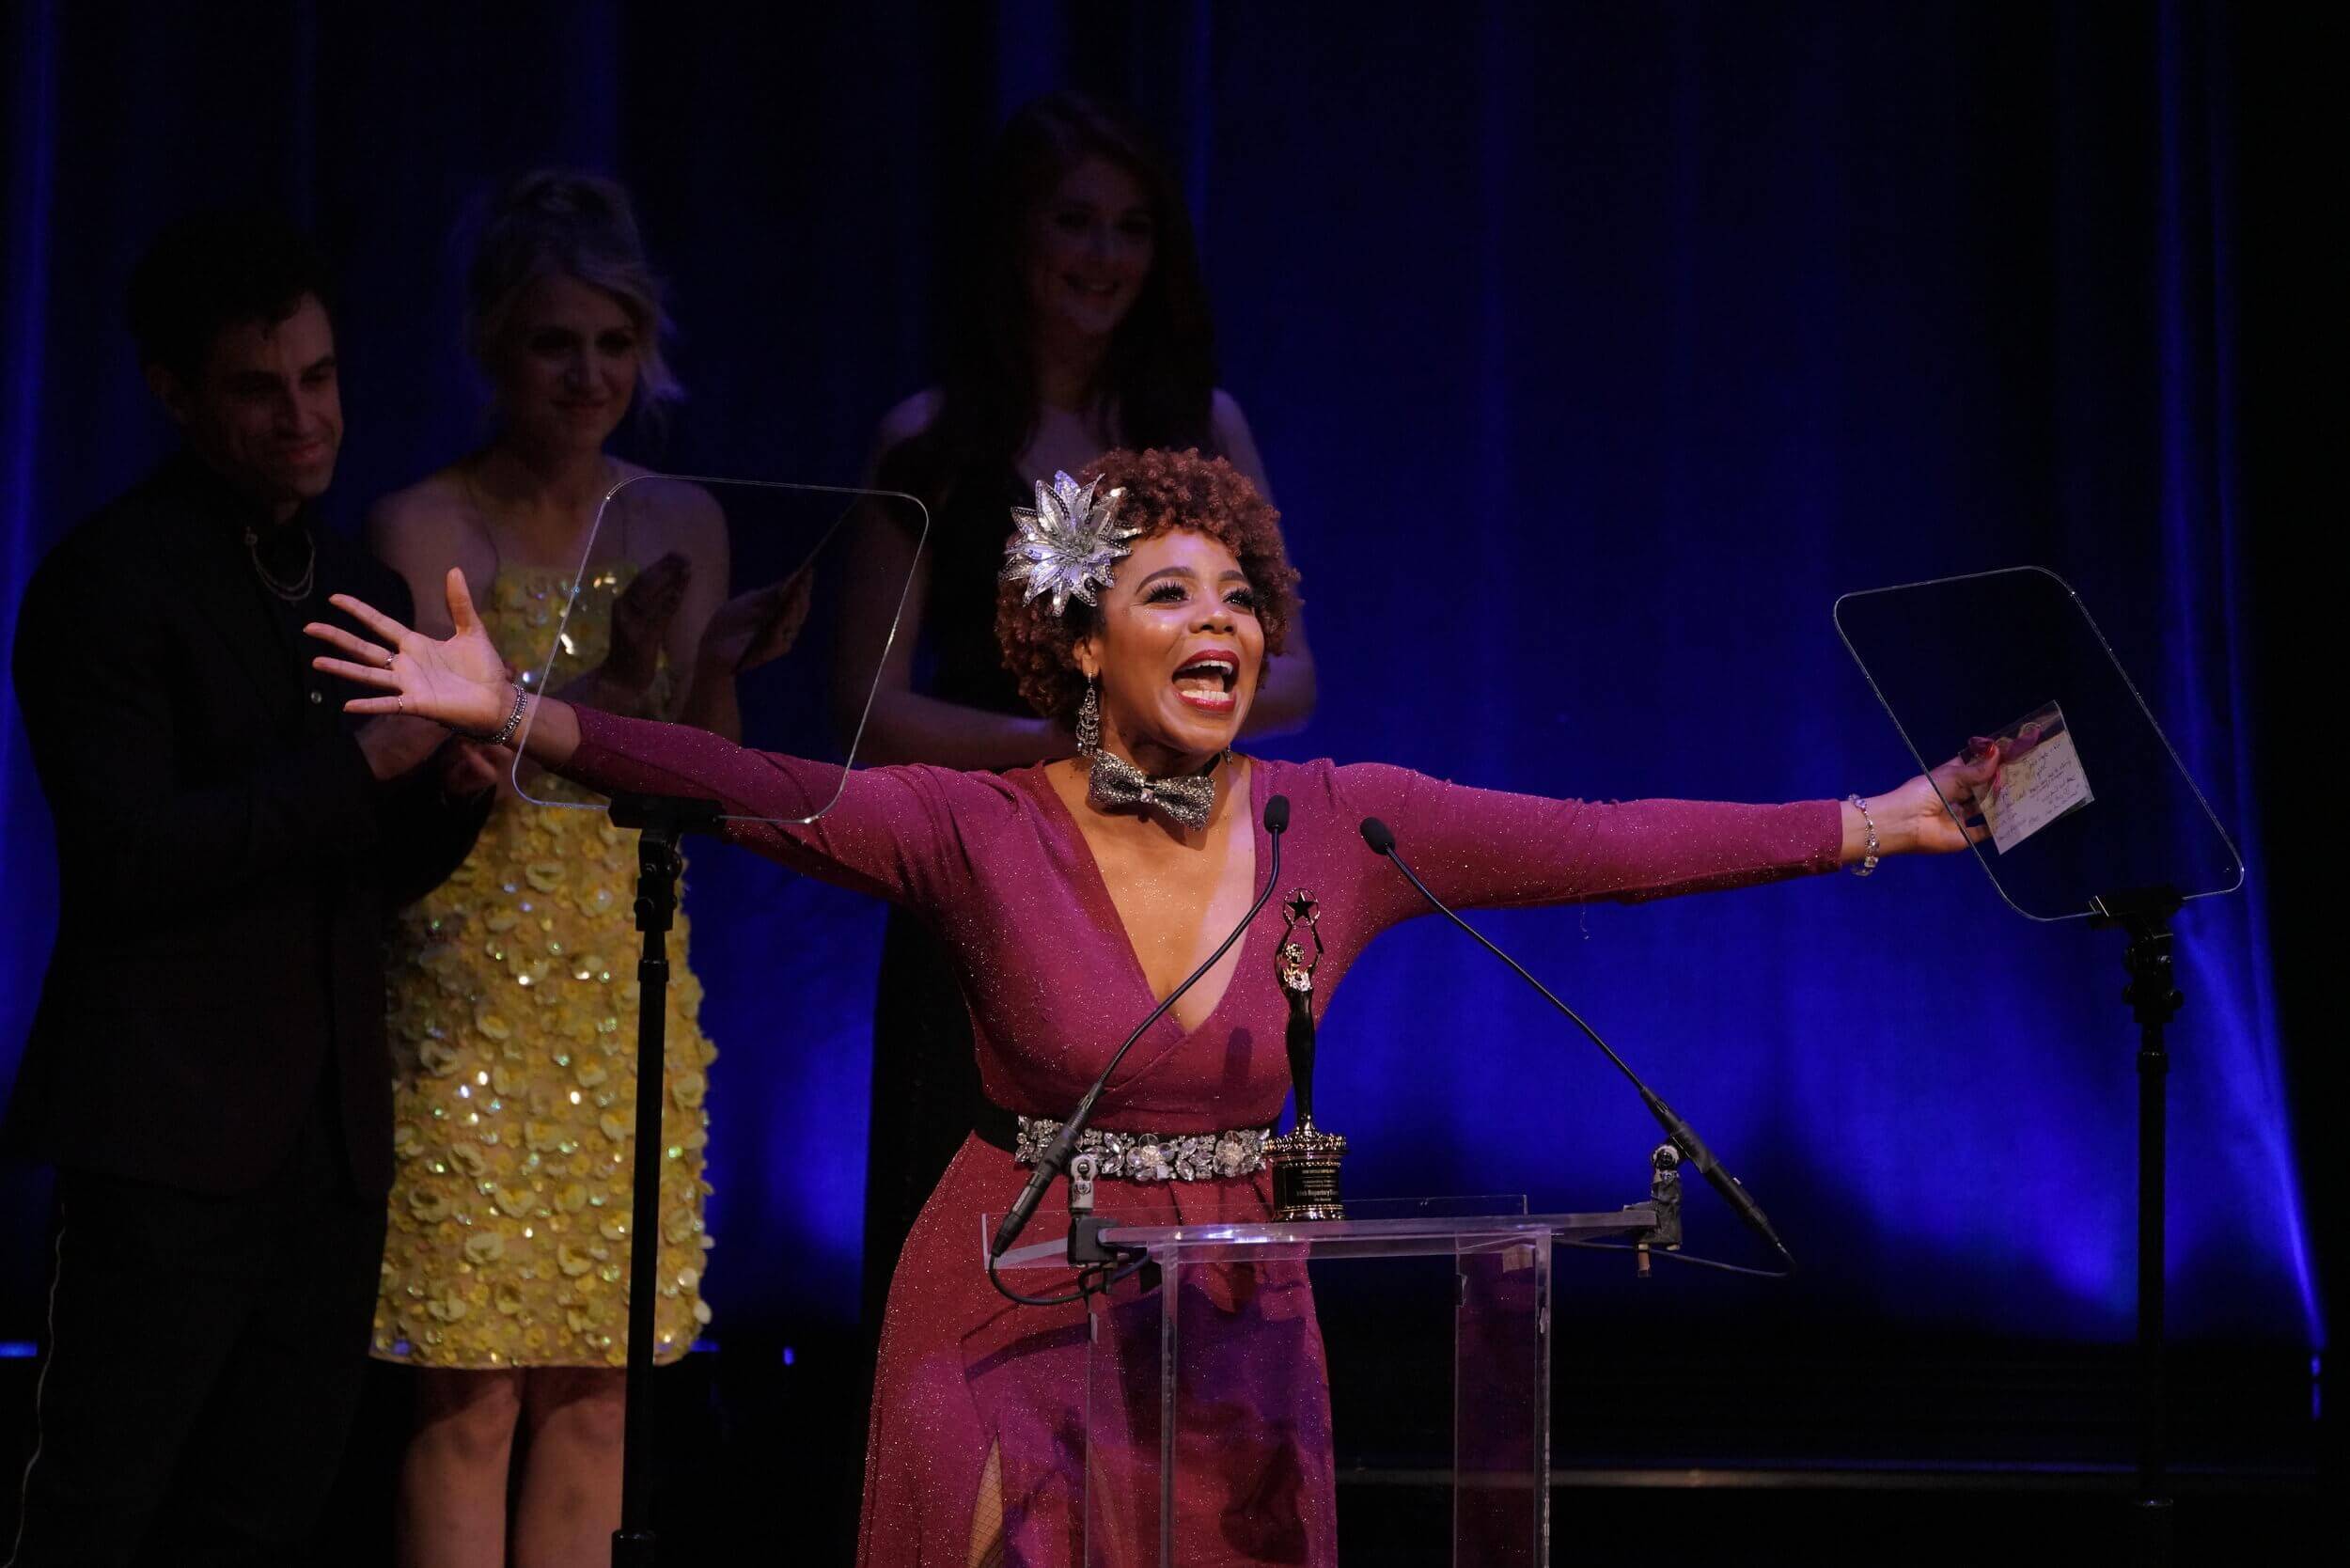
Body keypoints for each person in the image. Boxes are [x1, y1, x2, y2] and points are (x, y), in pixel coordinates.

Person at [306, 447, 1994, 1566]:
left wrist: (1877, 824)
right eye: (1170, 595)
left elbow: (1605, 844)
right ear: (1083, 643)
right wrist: (525, 712)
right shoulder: (970, 825)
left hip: (1241, 1327)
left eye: (1239, 596)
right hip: (1004, 1309)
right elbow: (750, 783)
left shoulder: (1346, 821)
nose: (1222, 624)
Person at [2, 211, 486, 1563]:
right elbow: (128, 858)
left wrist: (444, 798)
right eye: (258, 388)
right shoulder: (106, 582)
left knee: (268, 1514)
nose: (301, 418)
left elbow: (368, 871)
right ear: (174, 393)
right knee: (101, 1503)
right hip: (163, 1133)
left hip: (326, 1145)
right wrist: (366, 761)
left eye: (319, 379)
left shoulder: (350, 580)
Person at [359, 171, 800, 1568]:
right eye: (558, 343)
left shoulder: (681, 519)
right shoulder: (424, 531)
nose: (591, 374)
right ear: (494, 343)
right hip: (470, 982)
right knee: (471, 1390)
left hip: (622, 985)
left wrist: (712, 671)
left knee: (600, 1394)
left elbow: (692, 773)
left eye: (615, 344)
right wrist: (603, 682)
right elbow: (443, 768)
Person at [851, 92, 1318, 1325]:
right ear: (1016, 238)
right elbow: (868, 712)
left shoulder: (1203, 435)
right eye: (1074, 222)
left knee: (1153, 1281)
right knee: (962, 1265)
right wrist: (1070, 756)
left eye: (1131, 228)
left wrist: (1141, 749)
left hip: (1168, 887)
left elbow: (1299, 674)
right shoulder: (932, 444)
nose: (1102, 257)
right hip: (983, 879)